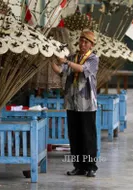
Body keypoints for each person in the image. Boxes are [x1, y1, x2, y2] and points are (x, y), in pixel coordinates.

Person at [51, 30, 99, 177]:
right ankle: (78, 167)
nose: (82, 44)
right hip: (72, 102)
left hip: (87, 104)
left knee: (88, 135)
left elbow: (81, 69)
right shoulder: (73, 57)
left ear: (91, 45)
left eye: (86, 42)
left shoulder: (93, 58)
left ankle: (90, 166)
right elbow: (60, 71)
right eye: (81, 41)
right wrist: (52, 58)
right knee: (74, 135)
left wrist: (66, 61)